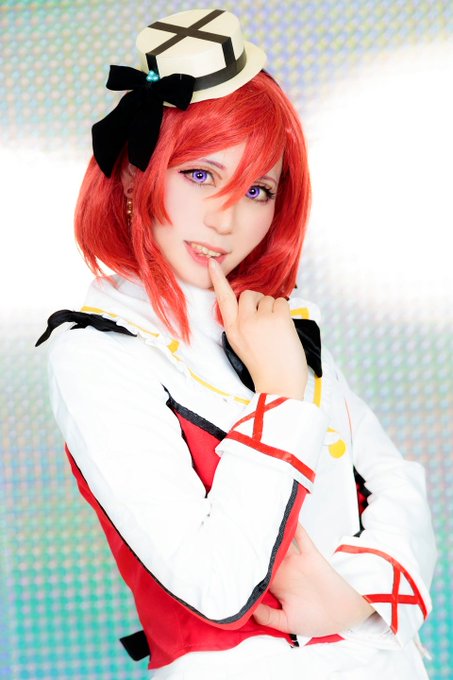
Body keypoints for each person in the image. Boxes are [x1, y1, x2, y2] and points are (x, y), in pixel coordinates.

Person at [37, 8, 437, 679]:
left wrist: (354, 600)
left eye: (256, 189)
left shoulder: (275, 321)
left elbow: (395, 482)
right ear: (134, 178)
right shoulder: (97, 349)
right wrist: (280, 396)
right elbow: (216, 582)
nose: (227, 218)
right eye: (200, 175)